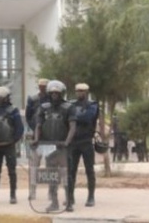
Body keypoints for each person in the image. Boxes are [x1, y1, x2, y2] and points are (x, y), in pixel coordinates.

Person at [33, 80, 76, 212]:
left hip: (63, 146)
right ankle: (54, 202)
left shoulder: (69, 107)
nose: (54, 96)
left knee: (66, 175)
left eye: (57, 93)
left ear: (62, 93)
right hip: (48, 146)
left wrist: (67, 142)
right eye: (52, 93)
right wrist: (36, 139)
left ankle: (68, 202)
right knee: (51, 175)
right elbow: (38, 125)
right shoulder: (44, 107)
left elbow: (72, 127)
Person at [0, 86, 24, 205]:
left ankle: (13, 195)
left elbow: (19, 128)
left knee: (11, 171)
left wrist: (14, 140)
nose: (0, 99)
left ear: (7, 98)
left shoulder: (13, 111)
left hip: (9, 145)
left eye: (2, 97)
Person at [66, 83, 99, 212]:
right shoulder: (71, 105)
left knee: (89, 170)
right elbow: (67, 118)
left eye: (82, 91)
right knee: (71, 171)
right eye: (78, 91)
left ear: (86, 92)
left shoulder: (92, 105)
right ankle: (70, 197)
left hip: (86, 141)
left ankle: (91, 197)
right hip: (73, 142)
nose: (80, 93)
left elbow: (87, 117)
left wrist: (74, 117)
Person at [25, 78, 50, 200]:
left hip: (51, 137)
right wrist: (36, 129)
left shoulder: (53, 100)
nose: (43, 88)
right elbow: (28, 117)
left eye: (45, 86)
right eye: (41, 86)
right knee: (34, 165)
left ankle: (52, 191)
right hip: (37, 137)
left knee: (52, 166)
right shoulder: (33, 99)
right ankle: (32, 191)